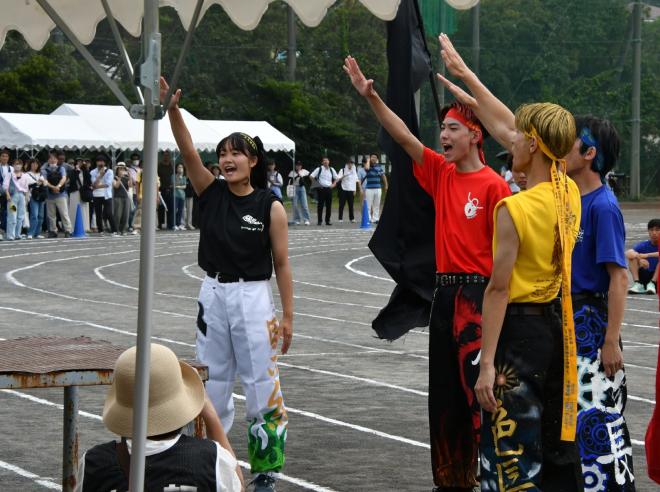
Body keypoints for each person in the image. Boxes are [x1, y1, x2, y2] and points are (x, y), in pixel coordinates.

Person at [344, 55, 510, 490]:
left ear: (475, 134)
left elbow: (503, 258)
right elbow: (403, 136)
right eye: (443, 129)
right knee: (445, 395)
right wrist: (371, 97)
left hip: (477, 298)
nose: (444, 136)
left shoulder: (494, 186)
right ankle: (452, 479)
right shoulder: (441, 172)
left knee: (479, 392)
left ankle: (491, 474)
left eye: (453, 128)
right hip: (444, 296)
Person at [436, 33, 583, 490]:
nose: (510, 139)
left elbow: (498, 290)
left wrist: (485, 364)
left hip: (516, 332)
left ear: (534, 145)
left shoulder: (514, 209)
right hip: (555, 331)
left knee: (511, 454)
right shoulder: (569, 191)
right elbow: (507, 127)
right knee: (555, 451)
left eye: (520, 137)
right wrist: (468, 78)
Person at [162, 76, 293, 492]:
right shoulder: (211, 192)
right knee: (210, 381)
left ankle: (266, 471)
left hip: (254, 298)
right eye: (222, 154)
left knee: (261, 384)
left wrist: (288, 316)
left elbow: (282, 264)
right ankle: (209, 462)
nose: (227, 159)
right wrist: (172, 111)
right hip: (213, 294)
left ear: (253, 161)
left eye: (236, 153)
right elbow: (187, 150)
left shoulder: (270, 206)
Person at [564, 116, 636, 490]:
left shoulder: (603, 206)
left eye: (570, 140)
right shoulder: (570, 199)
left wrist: (610, 341)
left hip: (591, 324)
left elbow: (619, 278)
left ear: (590, 153)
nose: (562, 146)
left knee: (597, 421)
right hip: (568, 318)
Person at [74, 344, 243, 492]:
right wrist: (208, 410)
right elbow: (238, 485)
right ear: (182, 404)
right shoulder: (211, 460)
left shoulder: (93, 464)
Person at [42, 151, 72, 238]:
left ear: (57, 160)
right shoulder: (44, 170)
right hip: (50, 195)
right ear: (48, 160)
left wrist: (58, 186)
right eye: (50, 158)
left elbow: (64, 178)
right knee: (51, 215)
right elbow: (45, 181)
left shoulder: (61, 168)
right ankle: (53, 231)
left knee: (64, 213)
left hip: (61, 194)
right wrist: (53, 187)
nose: (52, 160)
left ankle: (68, 230)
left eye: (54, 158)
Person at [626, 219, 660, 294]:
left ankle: (653, 283)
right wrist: (639, 259)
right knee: (632, 258)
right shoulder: (644, 245)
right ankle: (638, 284)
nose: (654, 233)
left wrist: (647, 255)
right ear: (648, 231)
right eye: (651, 230)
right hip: (646, 277)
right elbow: (628, 253)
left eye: (657, 230)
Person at [90, 156, 118, 236]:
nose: (100, 163)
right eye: (99, 161)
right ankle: (100, 231)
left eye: (102, 161)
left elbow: (108, 184)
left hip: (107, 195)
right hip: (96, 195)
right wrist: (100, 176)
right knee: (98, 214)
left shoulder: (109, 171)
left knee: (109, 213)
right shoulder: (92, 172)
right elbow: (93, 184)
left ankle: (114, 230)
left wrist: (96, 186)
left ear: (105, 162)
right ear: (96, 162)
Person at [3, 159, 29, 240]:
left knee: (20, 216)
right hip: (12, 197)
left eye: (19, 164)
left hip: (22, 196)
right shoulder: (9, 174)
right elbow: (5, 186)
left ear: (22, 165)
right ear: (13, 165)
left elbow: (26, 188)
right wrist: (8, 195)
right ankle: (11, 235)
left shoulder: (24, 175)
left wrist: (26, 198)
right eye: (16, 164)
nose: (18, 165)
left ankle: (18, 234)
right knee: (12, 215)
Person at [359, 154, 388, 223]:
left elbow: (383, 176)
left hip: (378, 188)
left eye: (375, 157)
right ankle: (368, 218)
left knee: (377, 204)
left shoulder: (379, 167)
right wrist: (368, 160)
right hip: (369, 188)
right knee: (368, 204)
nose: (373, 158)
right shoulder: (368, 166)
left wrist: (386, 185)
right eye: (372, 157)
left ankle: (375, 218)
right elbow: (366, 168)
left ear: (377, 159)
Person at [310, 157, 337, 226]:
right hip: (321, 189)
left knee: (329, 206)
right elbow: (311, 176)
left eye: (327, 160)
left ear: (329, 162)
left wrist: (334, 184)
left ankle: (327, 221)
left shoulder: (332, 169)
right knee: (320, 205)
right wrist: (317, 185)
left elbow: (336, 178)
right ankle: (319, 221)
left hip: (329, 189)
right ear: (322, 162)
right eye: (324, 161)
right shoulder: (319, 169)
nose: (325, 161)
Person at [25, 158, 47, 239]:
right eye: (33, 163)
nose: (35, 165)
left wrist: (41, 183)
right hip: (32, 196)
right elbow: (26, 185)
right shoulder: (26, 174)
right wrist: (37, 183)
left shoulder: (40, 174)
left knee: (41, 216)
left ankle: (37, 233)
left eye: (36, 164)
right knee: (34, 215)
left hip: (41, 196)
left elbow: (45, 184)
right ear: (30, 164)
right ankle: (30, 233)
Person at [337, 158, 360, 223]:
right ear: (346, 164)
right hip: (343, 189)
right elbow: (338, 179)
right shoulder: (342, 170)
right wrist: (344, 175)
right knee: (341, 204)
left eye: (351, 163)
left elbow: (355, 181)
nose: (350, 164)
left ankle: (352, 218)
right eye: (349, 163)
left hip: (351, 190)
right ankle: (340, 218)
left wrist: (355, 190)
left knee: (351, 205)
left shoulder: (354, 171)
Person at [287, 161, 311, 225]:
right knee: (294, 205)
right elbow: (289, 182)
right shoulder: (292, 172)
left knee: (304, 205)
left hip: (302, 188)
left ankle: (306, 220)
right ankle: (297, 220)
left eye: (299, 165)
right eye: (297, 165)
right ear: (295, 166)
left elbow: (311, 176)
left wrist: (303, 178)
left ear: (301, 166)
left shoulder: (304, 171)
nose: (298, 166)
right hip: (294, 188)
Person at [112, 162, 133, 235]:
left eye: (123, 169)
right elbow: (116, 186)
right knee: (118, 215)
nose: (122, 170)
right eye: (120, 169)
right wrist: (120, 178)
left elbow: (130, 186)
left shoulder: (126, 178)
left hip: (126, 197)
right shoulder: (115, 178)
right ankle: (117, 230)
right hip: (118, 198)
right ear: (117, 170)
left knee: (125, 215)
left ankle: (123, 230)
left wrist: (130, 175)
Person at [157, 151, 175, 230]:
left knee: (171, 207)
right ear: (162, 156)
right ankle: (160, 224)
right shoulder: (159, 166)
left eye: (167, 155)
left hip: (170, 189)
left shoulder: (171, 165)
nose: (166, 157)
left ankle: (170, 224)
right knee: (161, 207)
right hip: (162, 189)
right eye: (164, 155)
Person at [127, 152, 141, 234]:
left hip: (140, 192)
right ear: (131, 160)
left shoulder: (141, 170)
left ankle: (137, 226)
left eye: (137, 159)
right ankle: (130, 225)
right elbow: (133, 181)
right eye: (134, 159)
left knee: (139, 210)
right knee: (132, 210)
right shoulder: (129, 170)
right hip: (133, 192)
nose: (136, 161)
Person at [174, 163, 187, 230]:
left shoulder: (184, 177)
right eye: (179, 167)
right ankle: (174, 224)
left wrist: (178, 186)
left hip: (182, 195)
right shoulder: (174, 176)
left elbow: (185, 186)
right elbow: (174, 184)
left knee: (180, 210)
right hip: (175, 195)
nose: (180, 168)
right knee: (175, 210)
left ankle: (179, 224)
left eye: (181, 167)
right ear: (176, 169)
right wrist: (180, 186)